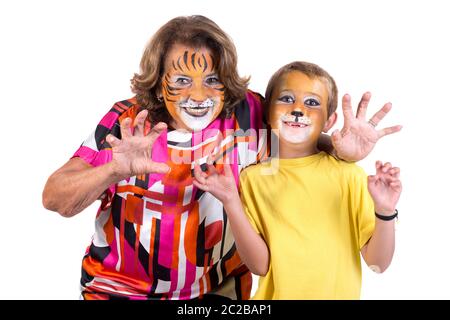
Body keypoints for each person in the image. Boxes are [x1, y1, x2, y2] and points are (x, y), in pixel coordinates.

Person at [42, 16, 401, 300]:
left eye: (212, 78)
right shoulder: (128, 121)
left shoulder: (248, 111)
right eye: (181, 80)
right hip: (122, 291)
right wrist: (114, 168)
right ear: (157, 80)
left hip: (220, 292)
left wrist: (339, 150)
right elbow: (55, 198)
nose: (198, 95)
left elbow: (296, 134)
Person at [192, 61, 402, 299]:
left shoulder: (349, 176)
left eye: (312, 102)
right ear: (268, 112)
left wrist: (385, 211)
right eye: (287, 99)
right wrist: (231, 202)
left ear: (329, 121)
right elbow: (260, 266)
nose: (298, 109)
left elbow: (378, 263)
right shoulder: (253, 178)